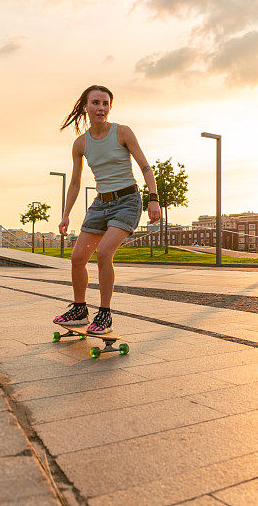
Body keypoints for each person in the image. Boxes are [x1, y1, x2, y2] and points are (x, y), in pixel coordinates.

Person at [53, 85, 162, 334]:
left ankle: (105, 314)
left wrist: (153, 198)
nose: (101, 108)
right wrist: (66, 214)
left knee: (103, 253)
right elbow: (75, 182)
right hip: (100, 204)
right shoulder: (80, 144)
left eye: (105, 103)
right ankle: (80, 309)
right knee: (78, 257)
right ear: (86, 107)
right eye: (96, 103)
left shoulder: (122, 132)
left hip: (127, 201)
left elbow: (145, 166)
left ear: (109, 107)